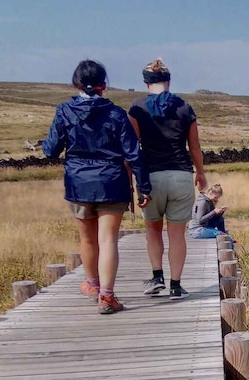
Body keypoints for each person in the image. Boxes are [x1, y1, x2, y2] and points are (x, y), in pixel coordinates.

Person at [43, 60, 151, 315]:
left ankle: (92, 285)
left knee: (87, 239)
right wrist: (144, 187)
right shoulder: (116, 114)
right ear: (105, 85)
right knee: (108, 240)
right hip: (111, 181)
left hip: (78, 182)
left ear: (76, 83)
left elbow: (50, 150)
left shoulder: (64, 111)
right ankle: (107, 296)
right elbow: (134, 154)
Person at [128, 58, 207, 300]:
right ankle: (176, 285)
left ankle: (157, 277)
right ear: (169, 82)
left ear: (145, 83)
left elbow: (132, 149)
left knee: (153, 231)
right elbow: (194, 147)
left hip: (151, 177)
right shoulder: (184, 107)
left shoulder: (137, 108)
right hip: (181, 175)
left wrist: (130, 180)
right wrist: (201, 173)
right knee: (177, 234)